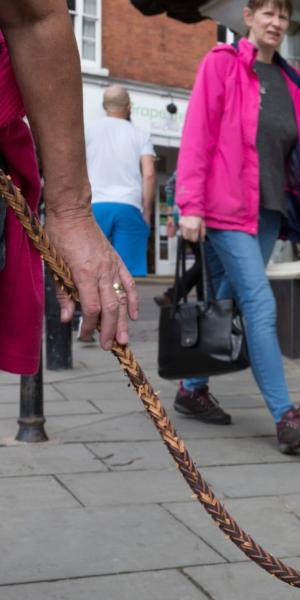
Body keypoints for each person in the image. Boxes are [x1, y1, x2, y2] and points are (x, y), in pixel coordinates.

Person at [175, 0, 300, 454]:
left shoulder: (291, 83)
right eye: (268, 13)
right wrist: (190, 205)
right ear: (248, 18)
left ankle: (191, 389)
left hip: (267, 213)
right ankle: (285, 417)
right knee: (258, 303)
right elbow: (199, 133)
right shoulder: (222, 66)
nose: (276, 23)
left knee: (225, 299)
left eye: (282, 15)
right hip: (224, 210)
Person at [0, 0, 138, 375]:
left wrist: (70, 209)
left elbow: (31, 14)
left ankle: (92, 322)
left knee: (106, 285)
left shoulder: (100, 131)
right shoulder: (137, 134)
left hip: (112, 207)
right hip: (126, 207)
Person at [86, 85, 157, 278]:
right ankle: (122, 306)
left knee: (92, 269)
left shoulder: (88, 130)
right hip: (129, 205)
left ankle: (94, 307)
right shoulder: (141, 134)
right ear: (128, 106)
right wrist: (147, 211)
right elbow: (149, 173)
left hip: (95, 205)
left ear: (104, 105)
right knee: (126, 275)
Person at [154, 171, 201, 306]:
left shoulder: (186, 161)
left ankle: (202, 307)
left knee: (203, 263)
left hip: (184, 218)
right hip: (197, 218)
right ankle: (173, 295)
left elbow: (170, 186)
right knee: (206, 263)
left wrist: (170, 214)